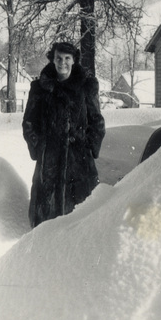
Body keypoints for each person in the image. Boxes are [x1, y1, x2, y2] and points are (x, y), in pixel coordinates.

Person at [22, 41, 106, 228]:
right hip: (49, 164)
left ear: (74, 60)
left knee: (83, 219)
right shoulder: (40, 88)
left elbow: (97, 121)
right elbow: (29, 123)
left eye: (67, 58)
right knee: (46, 220)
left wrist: (89, 148)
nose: (62, 63)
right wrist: (39, 149)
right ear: (53, 59)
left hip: (80, 163)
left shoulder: (86, 86)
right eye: (58, 58)